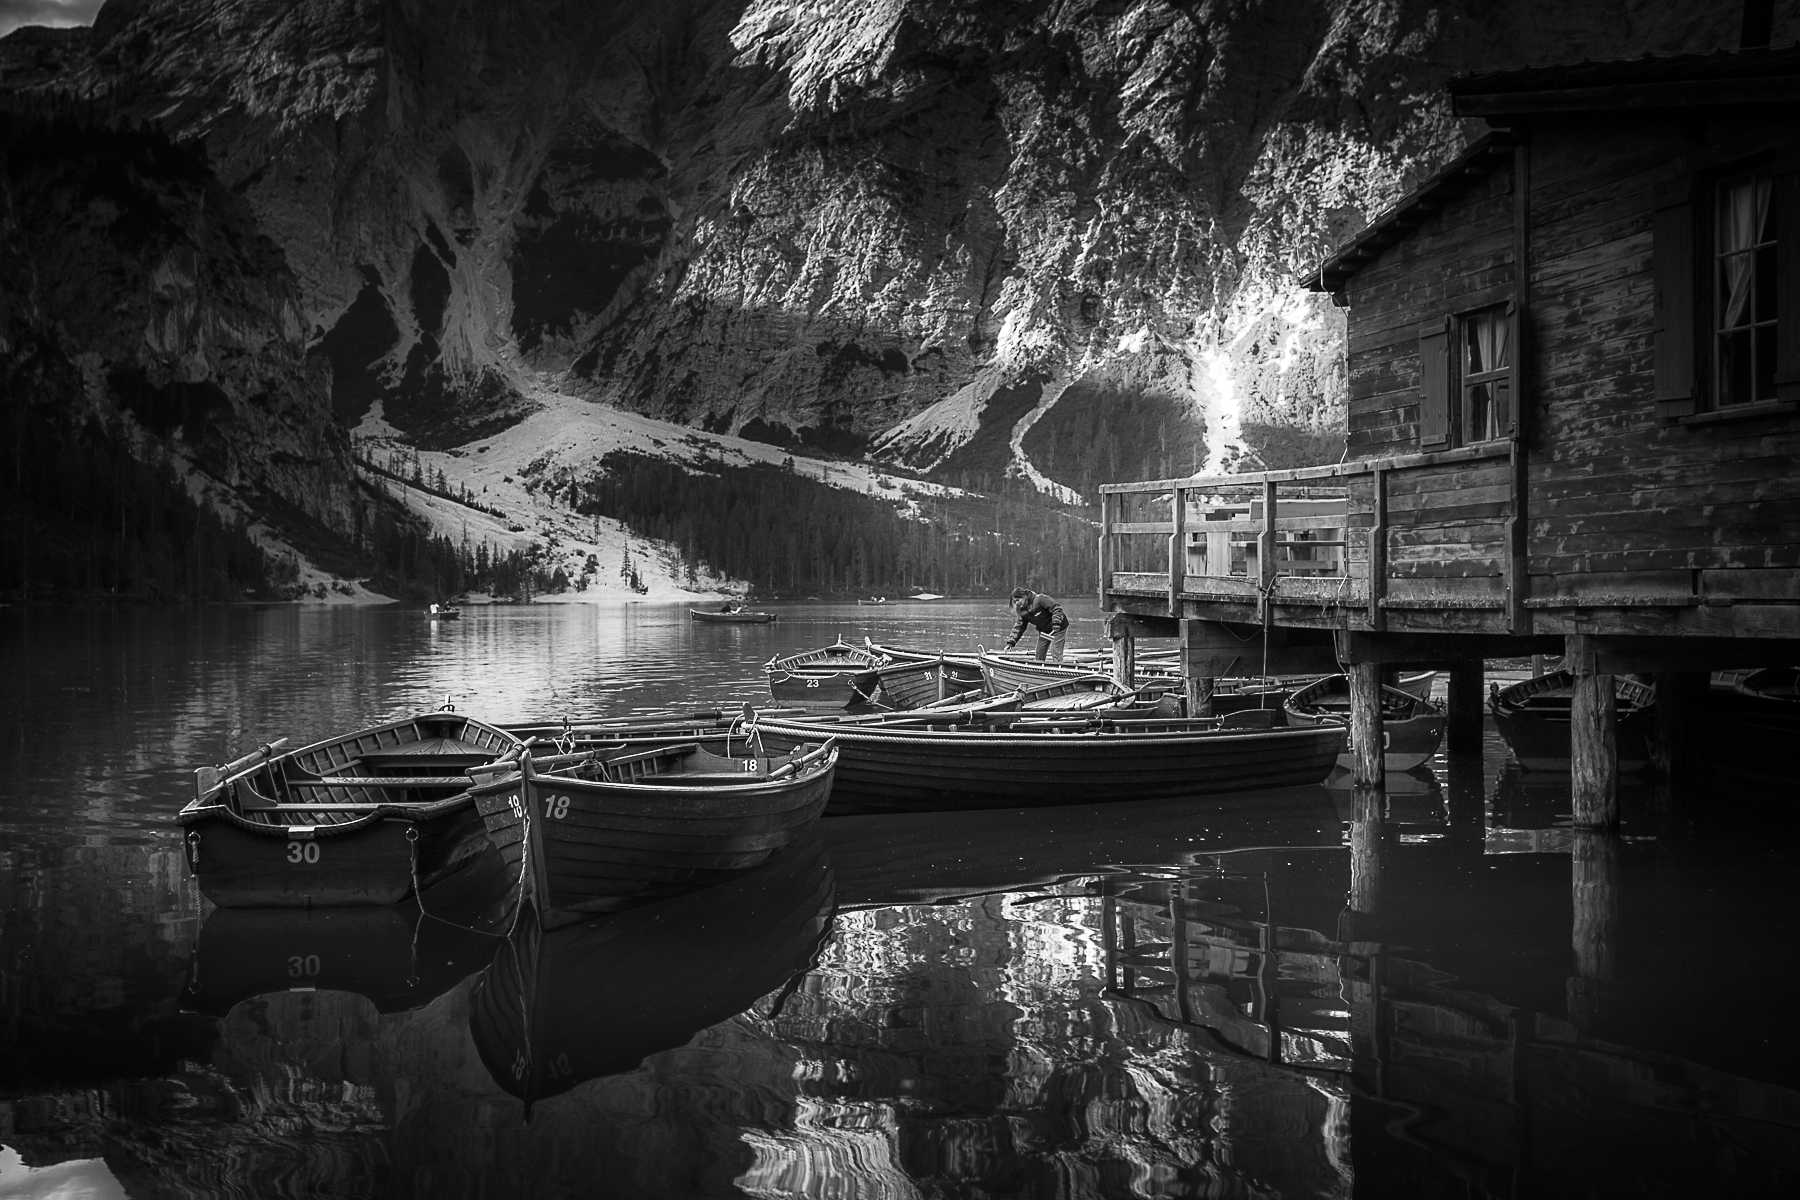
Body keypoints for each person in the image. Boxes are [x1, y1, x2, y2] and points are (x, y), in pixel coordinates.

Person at [1003, 587, 1068, 663]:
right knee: (1039, 654)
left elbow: (1056, 608)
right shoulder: (1021, 610)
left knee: (1055, 651)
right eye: (1014, 601)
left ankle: (1058, 670)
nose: (1017, 603)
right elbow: (1019, 626)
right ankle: (1039, 671)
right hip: (1045, 631)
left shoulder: (1040, 599)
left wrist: (1056, 622)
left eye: (1018, 600)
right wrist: (1011, 642)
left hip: (1058, 627)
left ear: (1024, 596)